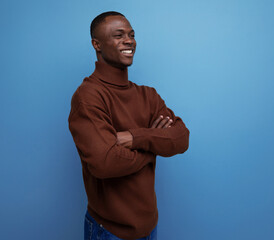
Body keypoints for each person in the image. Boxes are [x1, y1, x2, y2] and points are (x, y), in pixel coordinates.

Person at [68, 11, 190, 240]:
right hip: (110, 231)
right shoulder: (88, 96)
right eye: (119, 35)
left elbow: (182, 138)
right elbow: (105, 162)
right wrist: (153, 149)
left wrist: (135, 138)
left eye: (132, 35)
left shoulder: (148, 95)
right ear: (97, 44)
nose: (129, 40)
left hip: (150, 227)